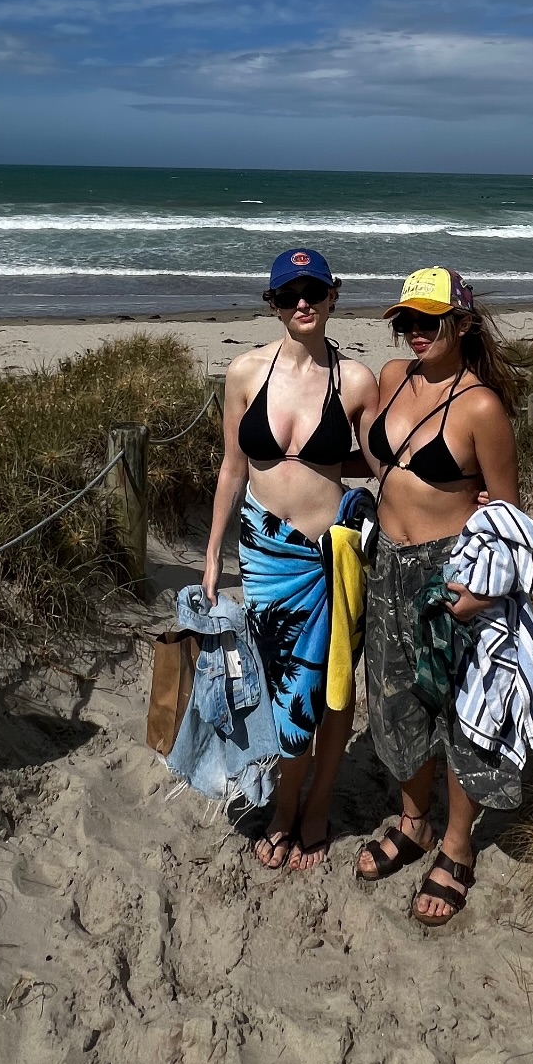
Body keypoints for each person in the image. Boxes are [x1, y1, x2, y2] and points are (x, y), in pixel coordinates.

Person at [355, 267, 530, 926]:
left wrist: (479, 593)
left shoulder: (482, 407)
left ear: (462, 322)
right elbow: (384, 462)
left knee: (462, 712)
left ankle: (456, 845)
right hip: (386, 565)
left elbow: (508, 515)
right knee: (394, 700)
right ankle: (414, 821)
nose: (416, 332)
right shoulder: (392, 375)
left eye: (429, 321)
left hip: (449, 572)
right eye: (407, 320)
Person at [203, 248, 378, 871]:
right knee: (279, 683)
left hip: (330, 557)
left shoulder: (356, 381)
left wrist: (466, 490)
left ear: (332, 297)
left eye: (313, 291)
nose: (302, 302)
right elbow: (232, 468)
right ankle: (283, 805)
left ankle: (316, 803)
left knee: (334, 686)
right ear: (274, 305)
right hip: (263, 554)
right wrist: (212, 552)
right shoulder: (245, 372)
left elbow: (386, 461)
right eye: (287, 294)